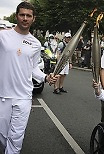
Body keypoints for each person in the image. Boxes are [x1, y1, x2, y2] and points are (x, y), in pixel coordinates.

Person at [0, 2, 58, 154]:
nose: (25, 18)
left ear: (33, 19)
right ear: (17, 16)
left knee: (16, 137)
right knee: (3, 136)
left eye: (28, 16)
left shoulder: (36, 44)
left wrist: (45, 77)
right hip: (3, 95)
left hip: (24, 96)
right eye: (22, 15)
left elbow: (33, 68)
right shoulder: (2, 36)